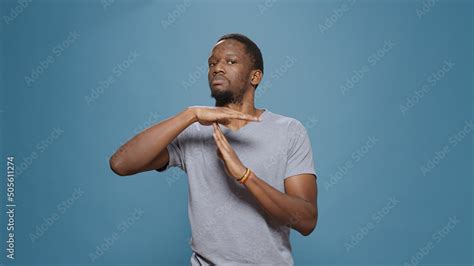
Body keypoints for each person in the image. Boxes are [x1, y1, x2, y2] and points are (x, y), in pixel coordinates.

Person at [109, 33, 318, 265]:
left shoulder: (289, 130)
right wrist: (190, 114)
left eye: (230, 61)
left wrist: (245, 176)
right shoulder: (194, 131)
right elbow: (121, 164)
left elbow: (306, 220)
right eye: (212, 63)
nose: (217, 68)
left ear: (255, 76)